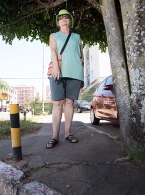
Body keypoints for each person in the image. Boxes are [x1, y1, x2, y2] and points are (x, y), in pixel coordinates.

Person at [46, 9, 84, 149]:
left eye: (66, 17)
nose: (63, 19)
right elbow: (53, 51)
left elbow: (81, 54)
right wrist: (56, 67)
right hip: (58, 72)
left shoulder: (77, 37)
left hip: (75, 73)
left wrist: (81, 68)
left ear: (70, 20)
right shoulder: (54, 35)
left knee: (69, 103)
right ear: (58, 21)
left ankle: (68, 133)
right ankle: (54, 136)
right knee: (57, 103)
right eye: (60, 17)